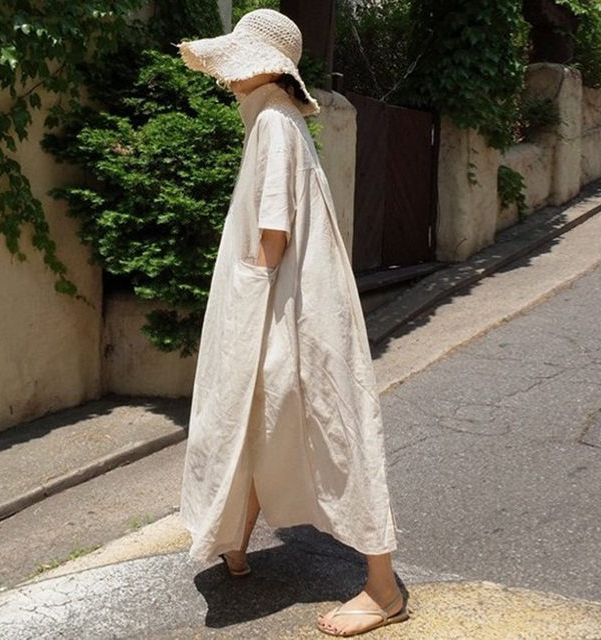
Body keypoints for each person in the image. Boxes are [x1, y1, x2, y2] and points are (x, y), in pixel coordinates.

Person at [174, 8, 409, 637]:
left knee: (331, 422)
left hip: (289, 305)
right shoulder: (272, 120)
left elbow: (272, 235)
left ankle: (384, 590)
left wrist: (243, 313)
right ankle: (235, 538)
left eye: (238, 60)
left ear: (266, 67)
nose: (228, 74)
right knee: (261, 410)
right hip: (289, 299)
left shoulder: (275, 123)